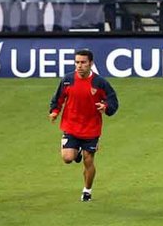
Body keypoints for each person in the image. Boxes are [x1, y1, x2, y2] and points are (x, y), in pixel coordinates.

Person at [49, 49, 120, 202]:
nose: (79, 66)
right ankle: (77, 152)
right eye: (77, 62)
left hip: (91, 129)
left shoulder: (99, 82)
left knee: (88, 161)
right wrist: (55, 111)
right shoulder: (68, 80)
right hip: (71, 126)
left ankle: (87, 190)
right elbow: (58, 98)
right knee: (68, 158)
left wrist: (106, 107)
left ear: (91, 64)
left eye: (83, 62)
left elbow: (113, 101)